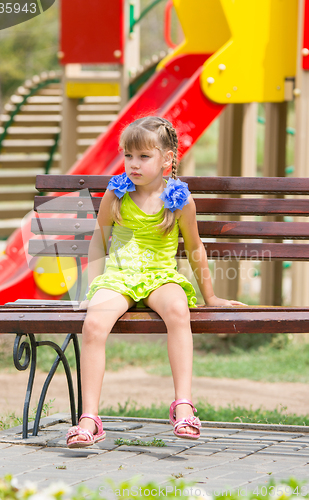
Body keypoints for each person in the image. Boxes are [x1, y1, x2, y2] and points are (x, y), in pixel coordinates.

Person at [66, 116, 244, 448]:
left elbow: (194, 248)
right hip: (118, 276)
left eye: (143, 157)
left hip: (159, 277)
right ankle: (89, 418)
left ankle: (184, 405)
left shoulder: (178, 199)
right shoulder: (116, 194)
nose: (133, 164)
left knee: (178, 310)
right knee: (93, 325)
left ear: (166, 159)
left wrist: (211, 297)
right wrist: (93, 288)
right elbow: (97, 241)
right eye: (128, 156)